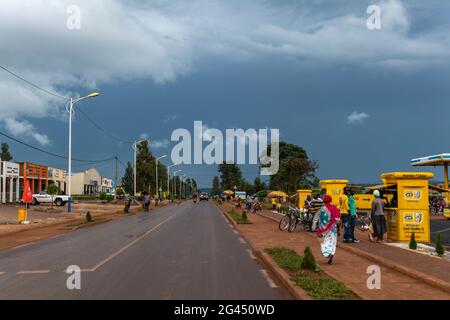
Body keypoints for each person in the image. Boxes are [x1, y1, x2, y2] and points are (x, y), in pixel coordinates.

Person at [317, 195, 341, 265]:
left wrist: (319, 229)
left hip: (323, 230)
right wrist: (338, 229)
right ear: (331, 200)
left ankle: (327, 254)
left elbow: (320, 220)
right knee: (332, 242)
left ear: (324, 201)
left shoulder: (322, 209)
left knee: (323, 242)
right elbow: (338, 220)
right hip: (332, 229)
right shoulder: (334, 208)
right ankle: (331, 254)